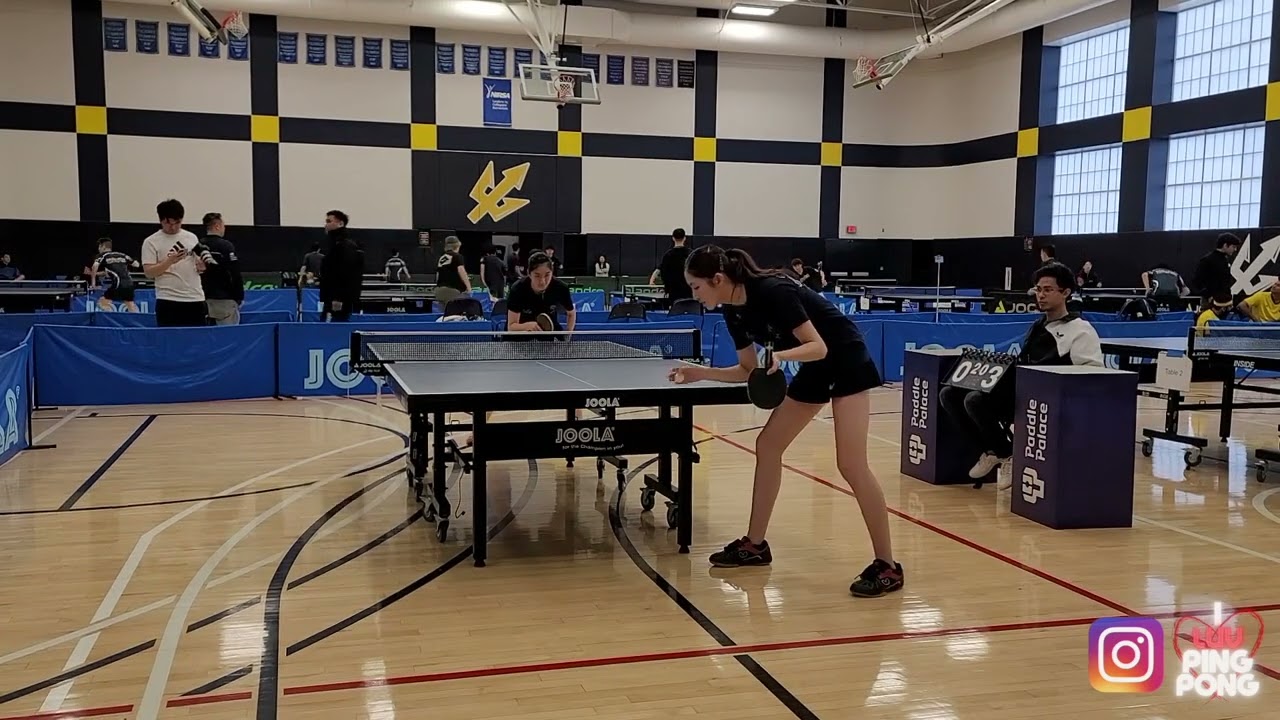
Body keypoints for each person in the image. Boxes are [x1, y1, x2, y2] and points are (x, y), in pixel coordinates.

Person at [667, 245, 900, 598]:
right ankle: (755, 545)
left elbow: (818, 346)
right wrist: (700, 372)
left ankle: (888, 565)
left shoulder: (775, 291)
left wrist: (780, 355)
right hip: (816, 368)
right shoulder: (733, 311)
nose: (693, 294)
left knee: (851, 464)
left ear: (717, 280)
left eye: (696, 287)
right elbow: (747, 370)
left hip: (847, 360)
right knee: (768, 444)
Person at [940, 262, 1103, 487]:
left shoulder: (1080, 330)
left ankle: (1006, 454)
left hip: (1046, 397)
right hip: (1018, 391)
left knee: (974, 400)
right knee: (949, 394)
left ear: (1065, 293)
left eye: (1048, 290)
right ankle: (992, 452)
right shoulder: (1037, 326)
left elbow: (1092, 374)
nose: (1041, 295)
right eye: (1038, 289)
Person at [142, 199, 208, 327]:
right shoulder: (151, 242)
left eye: (177, 222)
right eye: (168, 223)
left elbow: (197, 265)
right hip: (168, 299)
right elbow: (149, 272)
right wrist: (169, 261)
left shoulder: (191, 237)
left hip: (195, 297)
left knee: (197, 342)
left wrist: (201, 267)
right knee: (169, 342)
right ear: (161, 220)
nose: (173, 227)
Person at [505, 252, 576, 333]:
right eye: (537, 275)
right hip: (519, 338)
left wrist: (567, 337)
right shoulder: (517, 289)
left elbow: (571, 313)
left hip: (548, 336)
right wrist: (528, 326)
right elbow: (511, 327)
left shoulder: (561, 288)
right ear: (529, 273)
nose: (542, 281)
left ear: (552, 272)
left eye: (547, 275)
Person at [318, 209, 363, 322]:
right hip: (331, 298)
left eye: (329, 221)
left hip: (338, 301)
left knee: (334, 330)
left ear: (340, 223)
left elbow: (346, 274)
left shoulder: (345, 246)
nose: (326, 224)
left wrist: (338, 298)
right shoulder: (334, 244)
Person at [199, 212, 244, 326]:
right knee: (228, 339)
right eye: (223, 225)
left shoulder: (198, 246)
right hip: (224, 300)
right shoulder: (226, 246)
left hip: (201, 298)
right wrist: (239, 296)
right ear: (217, 226)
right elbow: (235, 273)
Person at [89, 238, 140, 312]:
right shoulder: (122, 255)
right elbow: (137, 265)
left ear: (103, 247)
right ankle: (138, 320)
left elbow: (95, 266)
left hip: (118, 283)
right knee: (130, 304)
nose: (98, 249)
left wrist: (93, 284)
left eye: (99, 247)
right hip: (129, 283)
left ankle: (112, 319)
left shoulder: (103, 255)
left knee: (101, 303)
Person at [650, 228, 692, 308]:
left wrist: (652, 280)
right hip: (689, 291)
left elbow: (661, 271)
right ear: (685, 238)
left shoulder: (668, 255)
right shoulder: (691, 254)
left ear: (673, 238)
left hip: (673, 293)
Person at [1193, 233, 1241, 302]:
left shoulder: (1225, 260)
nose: (1235, 249)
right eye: (1233, 246)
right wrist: (1208, 296)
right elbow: (1197, 282)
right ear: (1225, 245)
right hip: (1211, 302)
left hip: (1225, 300)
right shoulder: (1207, 260)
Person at [434, 235, 471, 309]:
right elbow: (462, 271)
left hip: (439, 291)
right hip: (452, 291)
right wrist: (469, 287)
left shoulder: (442, 258)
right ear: (458, 245)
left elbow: (438, 275)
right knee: (455, 313)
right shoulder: (457, 256)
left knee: (445, 313)